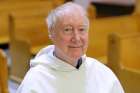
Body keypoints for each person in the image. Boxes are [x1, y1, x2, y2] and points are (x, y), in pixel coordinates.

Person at [16, 2, 124, 93]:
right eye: (68, 30)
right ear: (52, 34)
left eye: (81, 30)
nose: (76, 38)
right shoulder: (36, 80)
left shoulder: (101, 72)